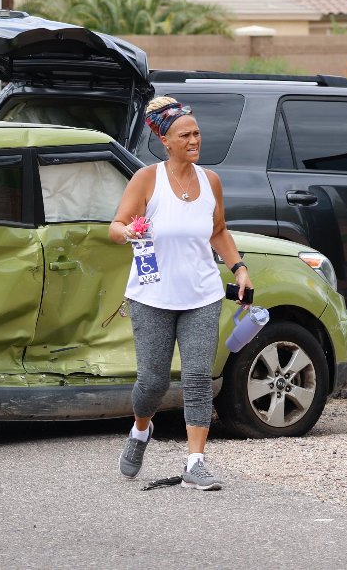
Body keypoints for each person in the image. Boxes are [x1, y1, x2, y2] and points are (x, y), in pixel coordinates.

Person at [108, 96, 253, 491]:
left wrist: (238, 268)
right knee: (153, 382)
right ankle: (141, 429)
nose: (194, 140)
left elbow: (218, 231)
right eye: (185, 134)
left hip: (201, 295)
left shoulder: (211, 182)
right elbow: (116, 225)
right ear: (165, 141)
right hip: (152, 297)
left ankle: (195, 462)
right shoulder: (147, 179)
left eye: (197, 133)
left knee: (196, 378)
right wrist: (128, 232)